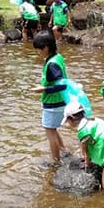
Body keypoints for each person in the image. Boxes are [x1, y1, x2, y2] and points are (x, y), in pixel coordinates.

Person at [63, 101, 104, 194]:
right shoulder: (92, 119)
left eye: (67, 121)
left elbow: (86, 150)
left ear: (72, 118)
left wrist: (87, 163)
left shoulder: (82, 131)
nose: (67, 123)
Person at [30, 31, 67, 163]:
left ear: (46, 47)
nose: (38, 53)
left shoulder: (52, 64)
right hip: (60, 102)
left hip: (53, 104)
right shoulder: (58, 57)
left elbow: (62, 85)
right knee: (54, 129)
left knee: (50, 132)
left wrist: (43, 88)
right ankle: (64, 151)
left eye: (39, 50)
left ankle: (56, 162)